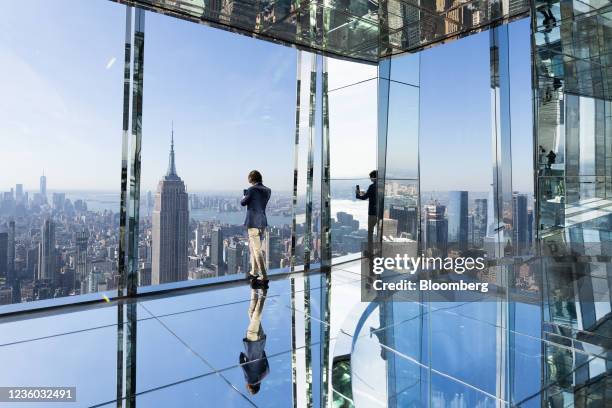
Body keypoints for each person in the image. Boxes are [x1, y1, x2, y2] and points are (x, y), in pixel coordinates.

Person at [241, 170, 271, 289]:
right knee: (254, 249)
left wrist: (244, 195)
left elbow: (243, 203)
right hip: (262, 223)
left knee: (257, 250)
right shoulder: (268, 190)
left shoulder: (251, 190)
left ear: (251, 179)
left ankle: (264, 276)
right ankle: (254, 272)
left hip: (253, 223)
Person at [239, 287, 270, 395]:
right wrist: (242, 355)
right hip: (252, 343)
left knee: (251, 313)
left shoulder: (266, 373)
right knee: (255, 316)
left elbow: (265, 356)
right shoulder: (250, 380)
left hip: (260, 342)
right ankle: (264, 291)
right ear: (251, 387)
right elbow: (242, 364)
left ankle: (255, 287)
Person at [356, 170, 377, 254]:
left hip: (372, 213)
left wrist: (358, 194)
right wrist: (366, 193)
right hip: (379, 212)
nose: (370, 179)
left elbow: (364, 198)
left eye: (371, 177)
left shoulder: (372, 186)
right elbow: (372, 195)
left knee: (370, 233)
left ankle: (370, 251)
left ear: (373, 177)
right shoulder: (381, 186)